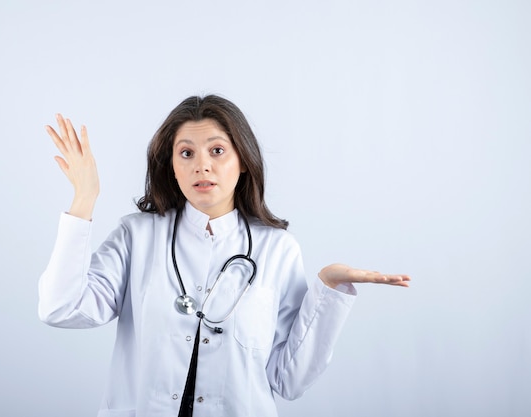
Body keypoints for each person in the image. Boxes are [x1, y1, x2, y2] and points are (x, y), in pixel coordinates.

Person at [39, 95, 410, 417]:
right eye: (186, 153)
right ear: (172, 165)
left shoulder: (277, 249)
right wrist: (83, 199)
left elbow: (288, 379)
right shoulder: (137, 235)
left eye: (217, 150)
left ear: (243, 160)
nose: (202, 165)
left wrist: (329, 287)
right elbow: (61, 308)